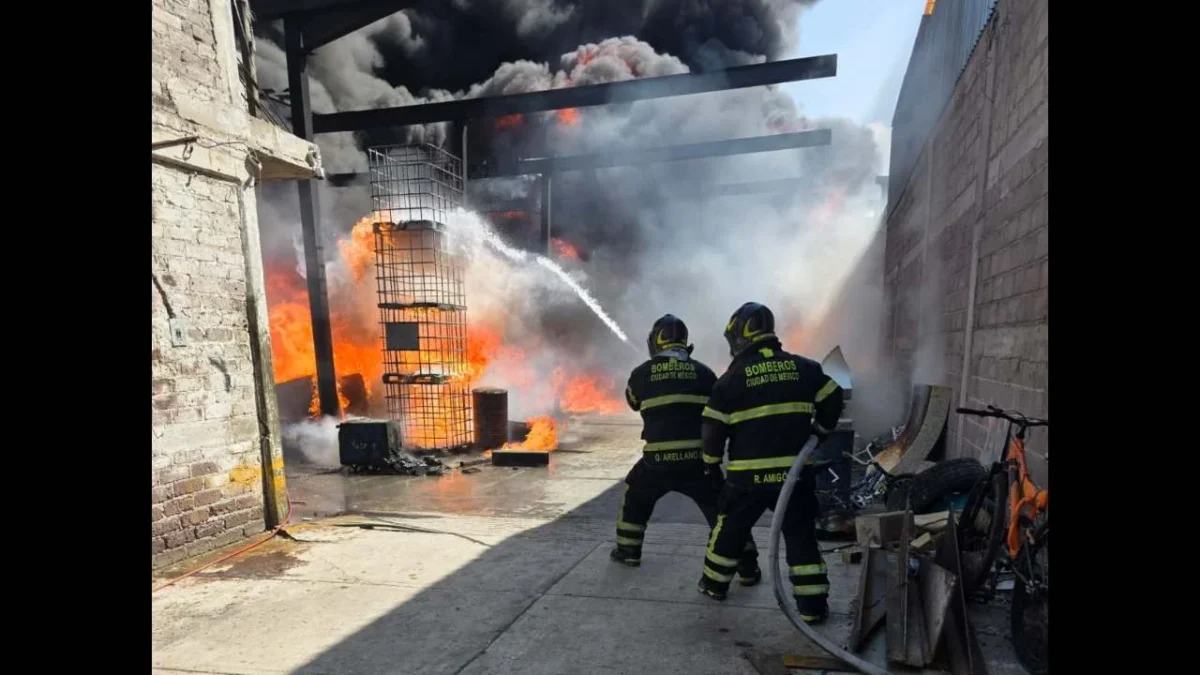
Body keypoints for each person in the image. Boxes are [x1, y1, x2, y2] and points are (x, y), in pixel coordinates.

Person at [696, 302, 845, 624]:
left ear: (738, 336)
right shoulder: (804, 368)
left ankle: (714, 585)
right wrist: (819, 432)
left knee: (730, 530)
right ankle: (812, 606)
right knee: (800, 534)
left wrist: (710, 465)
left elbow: (712, 431)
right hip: (794, 475)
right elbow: (834, 396)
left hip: (746, 478)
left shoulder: (729, 381)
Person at [612, 314, 759, 578]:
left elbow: (633, 402)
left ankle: (628, 551)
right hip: (698, 462)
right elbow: (718, 413)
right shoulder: (705, 373)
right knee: (725, 512)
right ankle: (747, 564)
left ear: (656, 341)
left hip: (656, 461)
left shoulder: (641, 373)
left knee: (636, 497)